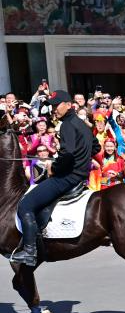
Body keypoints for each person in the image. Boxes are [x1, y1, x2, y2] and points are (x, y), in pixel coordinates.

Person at [12, 90, 97, 267]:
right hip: (81, 176)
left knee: (25, 205)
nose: (53, 109)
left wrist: (54, 167)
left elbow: (68, 156)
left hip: (67, 177)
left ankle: (29, 250)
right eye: (51, 106)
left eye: (56, 105)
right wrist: (82, 158)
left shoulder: (67, 125)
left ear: (68, 104)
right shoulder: (81, 124)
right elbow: (95, 147)